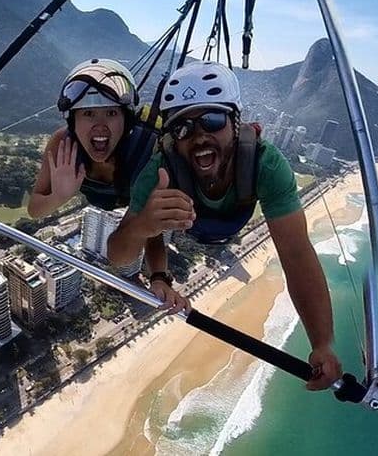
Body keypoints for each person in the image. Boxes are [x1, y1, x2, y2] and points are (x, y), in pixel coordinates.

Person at [107, 61, 342, 391]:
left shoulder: (266, 164)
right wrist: (145, 230)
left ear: (235, 123)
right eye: (184, 129)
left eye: (212, 120)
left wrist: (321, 342)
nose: (200, 136)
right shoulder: (161, 171)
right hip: (191, 224)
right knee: (158, 216)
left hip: (231, 219)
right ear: (173, 139)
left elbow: (297, 255)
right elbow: (118, 254)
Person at [28, 58, 143, 218]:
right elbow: (35, 209)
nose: (100, 125)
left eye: (111, 113)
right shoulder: (64, 145)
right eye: (88, 113)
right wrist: (58, 197)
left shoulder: (146, 146)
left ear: (126, 120)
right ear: (73, 122)